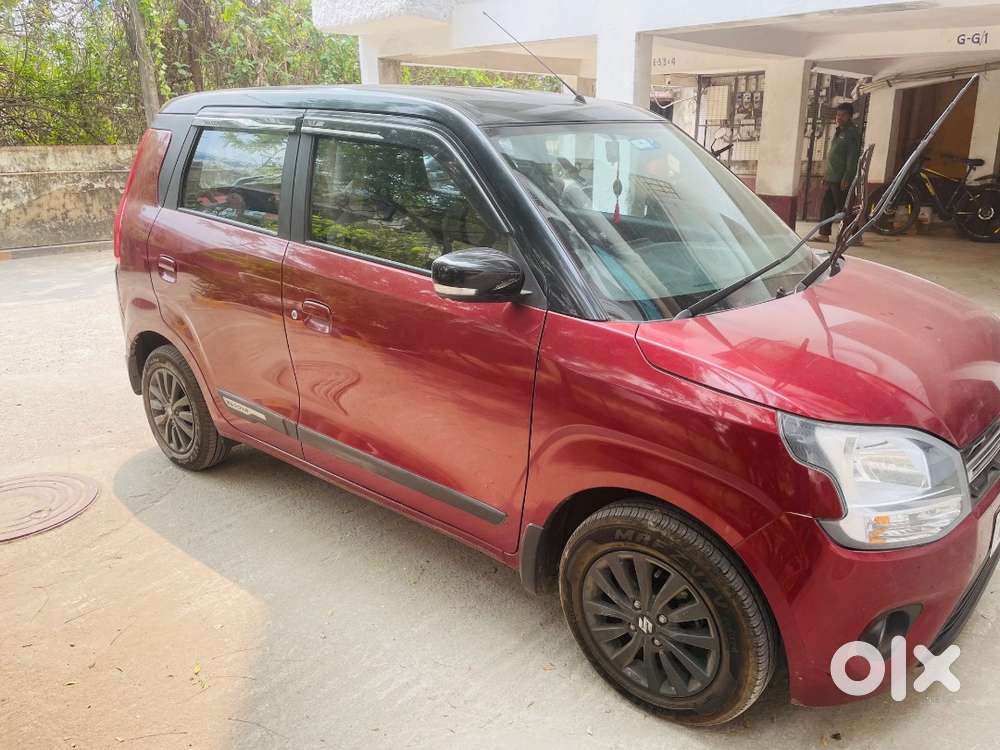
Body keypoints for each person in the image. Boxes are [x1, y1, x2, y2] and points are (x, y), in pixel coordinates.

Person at [815, 101, 861, 243]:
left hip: (841, 178)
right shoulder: (839, 131)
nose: (839, 118)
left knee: (844, 208)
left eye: (843, 115)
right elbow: (833, 155)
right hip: (832, 176)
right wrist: (826, 175)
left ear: (850, 116)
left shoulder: (851, 133)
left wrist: (847, 177)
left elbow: (852, 158)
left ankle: (854, 236)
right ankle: (824, 234)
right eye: (837, 115)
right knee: (827, 206)